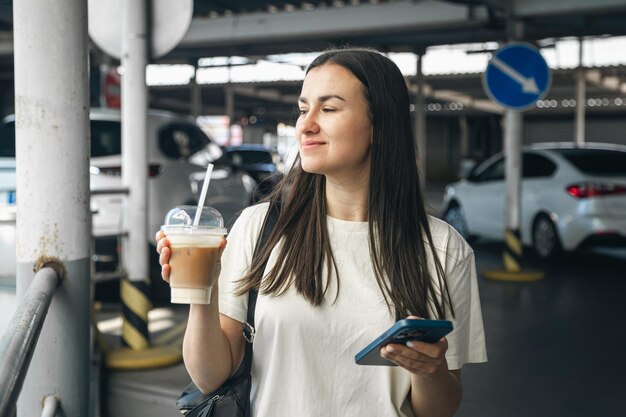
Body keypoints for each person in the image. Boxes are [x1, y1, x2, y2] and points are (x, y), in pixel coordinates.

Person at [156, 48, 487, 417]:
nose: (306, 125)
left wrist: (431, 370)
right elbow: (209, 377)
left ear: (379, 125)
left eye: (328, 109)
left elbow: (439, 410)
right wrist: (204, 290)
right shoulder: (259, 227)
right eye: (303, 109)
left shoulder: (443, 249)